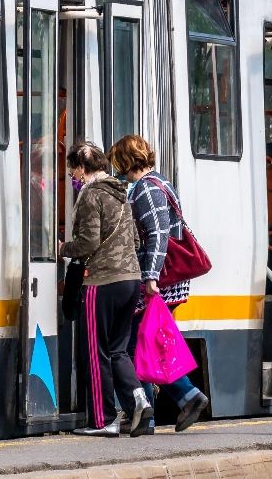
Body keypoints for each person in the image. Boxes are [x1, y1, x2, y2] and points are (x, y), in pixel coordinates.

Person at [107, 135, 210, 435]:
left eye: (118, 163)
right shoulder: (158, 183)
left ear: (126, 161)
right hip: (162, 280)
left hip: (158, 281)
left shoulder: (147, 188)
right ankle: (169, 404)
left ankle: (169, 403)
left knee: (133, 346)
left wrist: (150, 276)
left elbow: (157, 234)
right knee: (146, 344)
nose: (118, 170)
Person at [59, 142, 152, 437]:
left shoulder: (91, 195)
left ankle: (103, 420)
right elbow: (135, 241)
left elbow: (88, 242)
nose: (72, 175)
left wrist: (62, 248)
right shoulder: (121, 193)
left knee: (96, 352)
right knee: (118, 350)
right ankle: (139, 400)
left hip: (102, 282)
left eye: (73, 169)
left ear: (82, 168)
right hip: (131, 280)